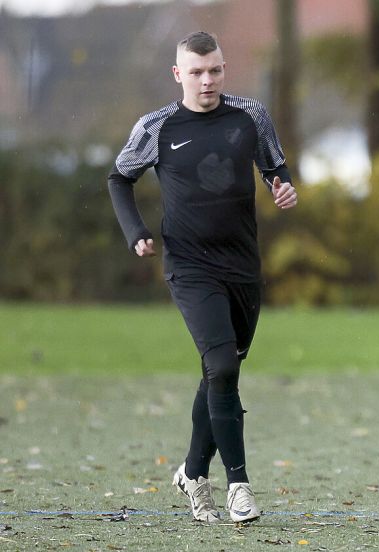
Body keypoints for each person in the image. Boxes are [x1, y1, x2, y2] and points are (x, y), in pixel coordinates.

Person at [107, 31, 297, 524]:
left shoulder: (250, 116)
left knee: (219, 370)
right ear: (178, 75)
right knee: (224, 367)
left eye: (214, 70)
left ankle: (192, 471)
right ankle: (238, 485)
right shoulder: (157, 126)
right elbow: (119, 178)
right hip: (190, 266)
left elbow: (274, 166)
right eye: (196, 72)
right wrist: (136, 233)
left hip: (243, 267)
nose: (207, 80)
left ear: (224, 68)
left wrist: (283, 187)